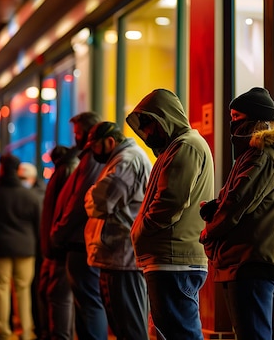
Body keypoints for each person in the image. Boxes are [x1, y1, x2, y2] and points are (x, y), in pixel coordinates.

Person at [199, 87, 274, 340]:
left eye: (238, 118)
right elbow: (234, 199)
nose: (233, 124)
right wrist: (215, 207)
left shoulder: (261, 156)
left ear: (256, 120)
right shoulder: (251, 155)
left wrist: (209, 230)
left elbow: (237, 203)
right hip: (243, 260)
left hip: (251, 260)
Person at [126, 88, 214, 339]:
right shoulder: (178, 148)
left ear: (164, 119)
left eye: (149, 124)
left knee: (178, 333)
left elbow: (169, 203)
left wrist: (143, 230)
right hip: (171, 259)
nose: (147, 133)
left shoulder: (186, 146)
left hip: (174, 260)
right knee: (171, 331)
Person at [84, 121, 152, 340]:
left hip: (122, 257)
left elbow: (100, 202)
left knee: (129, 326)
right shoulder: (122, 159)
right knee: (124, 324)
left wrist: (90, 195)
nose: (93, 152)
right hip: (118, 255)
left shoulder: (126, 160)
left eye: (95, 146)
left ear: (110, 141)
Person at [50, 112, 107, 340]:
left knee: (89, 302)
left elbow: (78, 201)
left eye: (78, 133)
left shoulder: (91, 159)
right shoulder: (86, 158)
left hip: (79, 240)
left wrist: (59, 230)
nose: (76, 138)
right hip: (76, 239)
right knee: (84, 303)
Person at [0, 153, 41, 340]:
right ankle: (25, 331)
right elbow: (39, 224)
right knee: (23, 290)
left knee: (1, 289)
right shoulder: (30, 196)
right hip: (26, 249)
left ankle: (2, 331)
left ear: (2, 169)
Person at [38, 145, 79, 340]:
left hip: (59, 248)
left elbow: (64, 211)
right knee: (55, 296)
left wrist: (56, 237)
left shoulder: (67, 170)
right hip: (57, 246)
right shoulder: (67, 170)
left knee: (59, 297)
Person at [18, 162, 46, 339]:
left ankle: (37, 328)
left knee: (35, 290)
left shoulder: (37, 195)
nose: (22, 182)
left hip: (37, 250)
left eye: (23, 178)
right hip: (32, 248)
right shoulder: (34, 194)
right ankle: (34, 327)